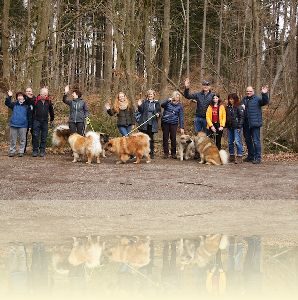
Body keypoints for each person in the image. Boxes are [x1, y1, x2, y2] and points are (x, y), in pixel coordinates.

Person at [241, 86, 269, 164]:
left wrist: (264, 94)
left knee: (256, 141)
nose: (248, 92)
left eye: (250, 91)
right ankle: (251, 156)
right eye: (247, 91)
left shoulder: (257, 99)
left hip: (255, 123)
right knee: (248, 140)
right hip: (246, 124)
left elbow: (265, 102)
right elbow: (241, 110)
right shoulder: (244, 99)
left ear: (253, 91)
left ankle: (258, 158)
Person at [5, 90, 32, 157]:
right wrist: (9, 96)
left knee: (22, 139)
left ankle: (21, 151)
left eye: (21, 96)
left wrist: (30, 125)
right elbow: (7, 103)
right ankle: (12, 151)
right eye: (18, 96)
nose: (20, 97)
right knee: (13, 139)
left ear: (23, 97)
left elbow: (29, 116)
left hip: (23, 125)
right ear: (17, 97)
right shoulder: (14, 104)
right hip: (13, 124)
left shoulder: (27, 105)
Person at [137, 89, 161, 159]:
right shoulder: (144, 102)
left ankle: (151, 153)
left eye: (151, 94)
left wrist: (158, 114)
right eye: (149, 94)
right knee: (142, 139)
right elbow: (140, 111)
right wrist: (139, 105)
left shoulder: (156, 103)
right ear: (147, 95)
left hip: (152, 123)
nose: (150, 95)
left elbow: (159, 111)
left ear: (154, 95)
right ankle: (142, 153)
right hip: (144, 123)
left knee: (150, 139)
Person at [161, 91, 184, 159]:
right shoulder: (168, 103)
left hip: (174, 123)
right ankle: (166, 153)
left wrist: (182, 127)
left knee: (173, 138)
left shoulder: (180, 106)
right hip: (165, 122)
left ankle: (173, 153)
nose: (177, 98)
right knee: (165, 138)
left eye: (178, 97)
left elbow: (181, 116)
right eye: (176, 96)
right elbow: (162, 105)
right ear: (173, 96)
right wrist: (168, 100)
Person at [32, 87, 54, 157]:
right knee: (35, 136)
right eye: (43, 94)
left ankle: (42, 151)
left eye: (45, 95)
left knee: (44, 137)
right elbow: (32, 111)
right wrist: (33, 120)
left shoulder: (49, 101)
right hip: (36, 121)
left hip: (45, 121)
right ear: (40, 94)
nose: (44, 96)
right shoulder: (35, 100)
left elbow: (51, 111)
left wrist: (52, 119)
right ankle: (35, 150)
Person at [226, 93, 244, 163]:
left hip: (237, 127)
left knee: (237, 141)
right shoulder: (228, 107)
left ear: (235, 99)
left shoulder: (239, 106)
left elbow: (241, 117)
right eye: (230, 99)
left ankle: (239, 156)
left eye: (232, 99)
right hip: (230, 127)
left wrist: (239, 126)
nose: (231, 100)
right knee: (230, 142)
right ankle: (232, 155)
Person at [24, 87, 36, 153]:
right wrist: (28, 98)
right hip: (25, 120)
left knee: (34, 135)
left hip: (33, 120)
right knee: (24, 135)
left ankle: (34, 149)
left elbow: (35, 105)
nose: (28, 92)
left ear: (32, 91)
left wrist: (31, 98)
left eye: (29, 91)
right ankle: (23, 149)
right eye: (27, 91)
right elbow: (25, 103)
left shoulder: (34, 98)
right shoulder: (23, 99)